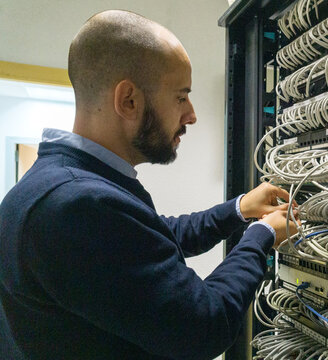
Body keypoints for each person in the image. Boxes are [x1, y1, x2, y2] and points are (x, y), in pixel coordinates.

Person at [0, 10, 298, 360]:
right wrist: (260, 236)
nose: (191, 114)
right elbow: (203, 327)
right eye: (180, 96)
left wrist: (238, 209)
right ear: (128, 100)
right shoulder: (74, 205)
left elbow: (155, 236)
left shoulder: (63, 183)